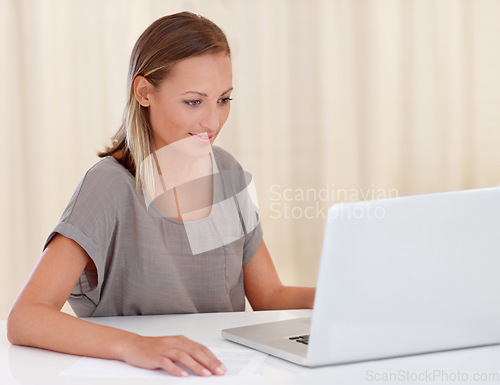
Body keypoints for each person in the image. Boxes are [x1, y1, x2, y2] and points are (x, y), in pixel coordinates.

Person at [7, 12, 315, 378]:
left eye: (224, 100)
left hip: (217, 371)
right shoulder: (111, 186)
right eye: (193, 102)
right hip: (142, 375)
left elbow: (269, 297)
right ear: (144, 92)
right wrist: (135, 346)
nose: (213, 122)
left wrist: (352, 296)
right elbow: (25, 317)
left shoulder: (227, 173)